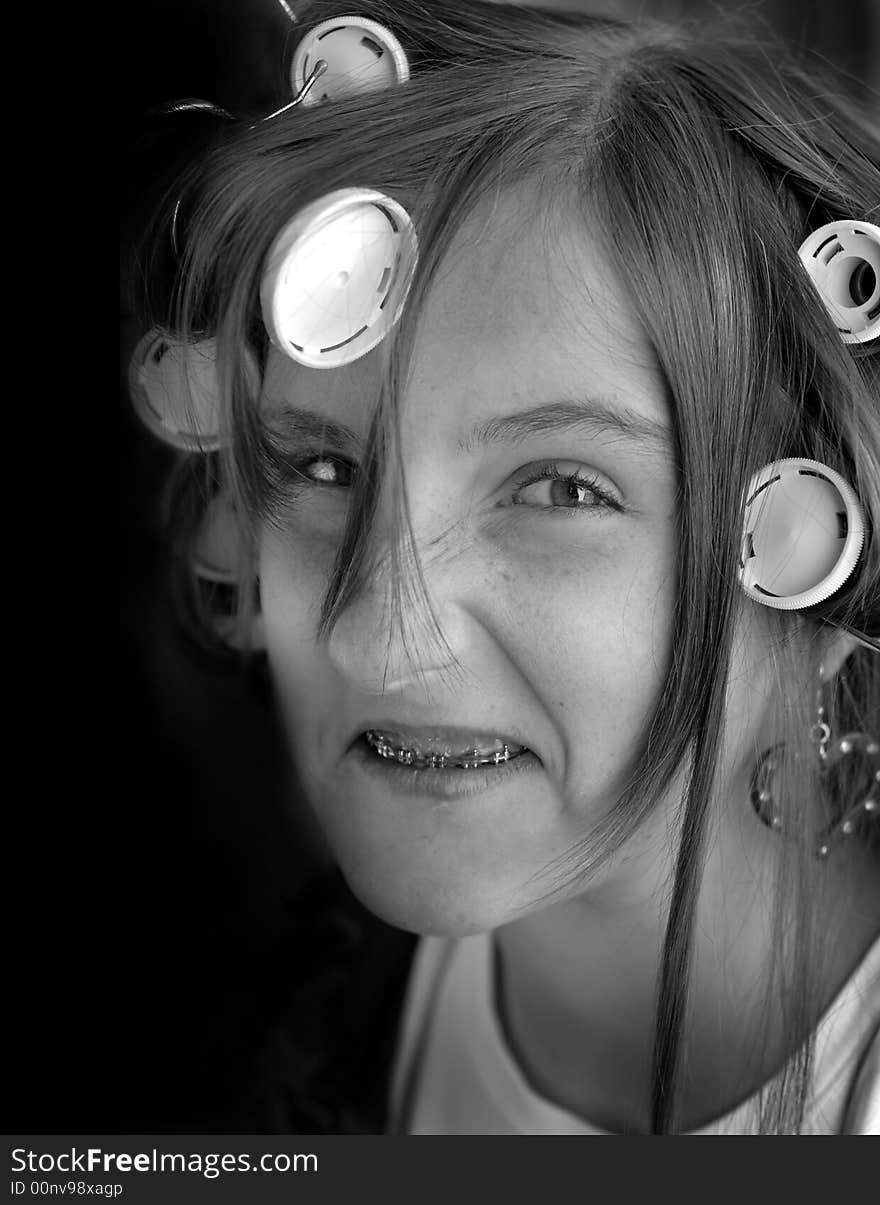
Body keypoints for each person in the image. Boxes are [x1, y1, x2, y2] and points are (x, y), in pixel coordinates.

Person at [125, 0, 880, 1134]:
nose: (374, 636)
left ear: (826, 562)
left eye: (562, 489)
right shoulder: (234, 1042)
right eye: (324, 465)